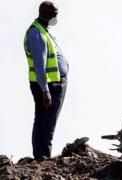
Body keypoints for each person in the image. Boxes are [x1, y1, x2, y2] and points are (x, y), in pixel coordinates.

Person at [23, 1, 69, 160]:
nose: (57, 15)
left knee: (45, 119)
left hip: (53, 83)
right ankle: (42, 156)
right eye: (55, 12)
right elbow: (39, 64)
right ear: (46, 12)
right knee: (46, 121)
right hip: (50, 85)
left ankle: (42, 154)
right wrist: (45, 90)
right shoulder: (37, 33)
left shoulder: (44, 30)